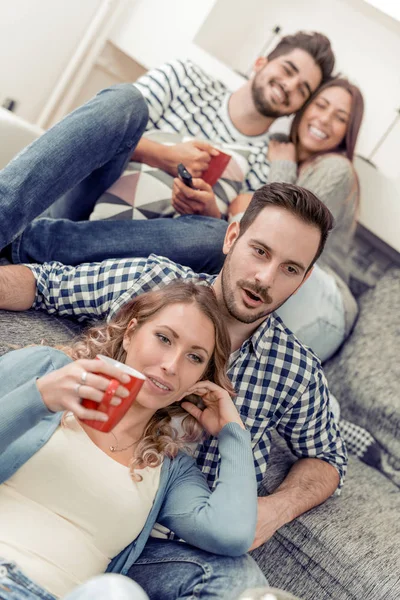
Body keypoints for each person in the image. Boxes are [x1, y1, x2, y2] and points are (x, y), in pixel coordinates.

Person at [0, 183, 348, 599]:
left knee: (240, 579)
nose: (265, 278)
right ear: (232, 237)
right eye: (260, 251)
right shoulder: (152, 283)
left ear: (305, 278)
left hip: (162, 532)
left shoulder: (296, 371)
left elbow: (328, 457)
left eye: (291, 268)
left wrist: (274, 508)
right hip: (50, 510)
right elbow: (46, 283)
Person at [0, 280, 261, 600]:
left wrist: (232, 432)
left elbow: (231, 535)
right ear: (131, 332)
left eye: (194, 358)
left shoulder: (170, 467)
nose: (171, 365)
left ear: (201, 378)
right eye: (164, 339)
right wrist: (41, 397)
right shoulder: (48, 370)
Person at [0, 31, 335, 266]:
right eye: (287, 71)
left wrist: (207, 212)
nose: (289, 86)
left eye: (302, 88)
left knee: (218, 237)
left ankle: (31, 243)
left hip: (133, 244)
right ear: (260, 63)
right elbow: (99, 131)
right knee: (125, 102)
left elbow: (238, 248)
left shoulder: (266, 162)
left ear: (298, 106)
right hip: (81, 197)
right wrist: (162, 156)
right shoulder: (184, 77)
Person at [173, 77, 364, 361]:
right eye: (320, 106)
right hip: (289, 285)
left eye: (340, 118)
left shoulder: (337, 169)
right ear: (305, 108)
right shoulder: (280, 154)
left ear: (347, 133)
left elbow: (293, 227)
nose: (324, 120)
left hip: (325, 306)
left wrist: (282, 165)